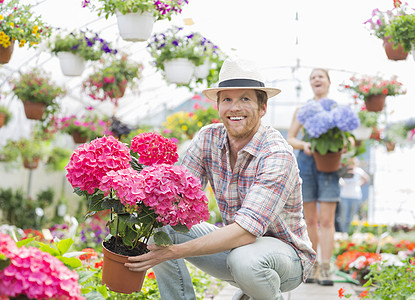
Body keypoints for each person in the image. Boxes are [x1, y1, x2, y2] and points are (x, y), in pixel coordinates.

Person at [125, 58, 316, 300]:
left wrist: (173, 252)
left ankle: (260, 291)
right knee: (157, 225)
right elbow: (176, 196)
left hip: (286, 259)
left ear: (263, 107)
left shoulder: (276, 153)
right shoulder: (208, 138)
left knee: (245, 261)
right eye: (227, 99)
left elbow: (247, 232)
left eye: (245, 99)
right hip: (235, 248)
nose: (234, 108)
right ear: (218, 106)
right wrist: (134, 191)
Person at [286, 68, 339, 286]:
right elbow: (290, 138)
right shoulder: (303, 109)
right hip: (306, 165)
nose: (317, 79)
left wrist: (342, 146)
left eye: (321, 76)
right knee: (309, 220)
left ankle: (326, 267)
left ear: (328, 82)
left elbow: (350, 140)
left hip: (329, 166)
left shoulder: (337, 110)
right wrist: (304, 145)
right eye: (313, 77)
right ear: (311, 84)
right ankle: (314, 265)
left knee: (327, 220)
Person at [336, 157, 370, 233]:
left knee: (351, 216)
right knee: (343, 216)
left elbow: (366, 178)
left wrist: (359, 184)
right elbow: (339, 179)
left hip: (355, 196)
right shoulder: (344, 171)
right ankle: (343, 231)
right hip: (344, 195)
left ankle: (348, 232)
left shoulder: (358, 171)